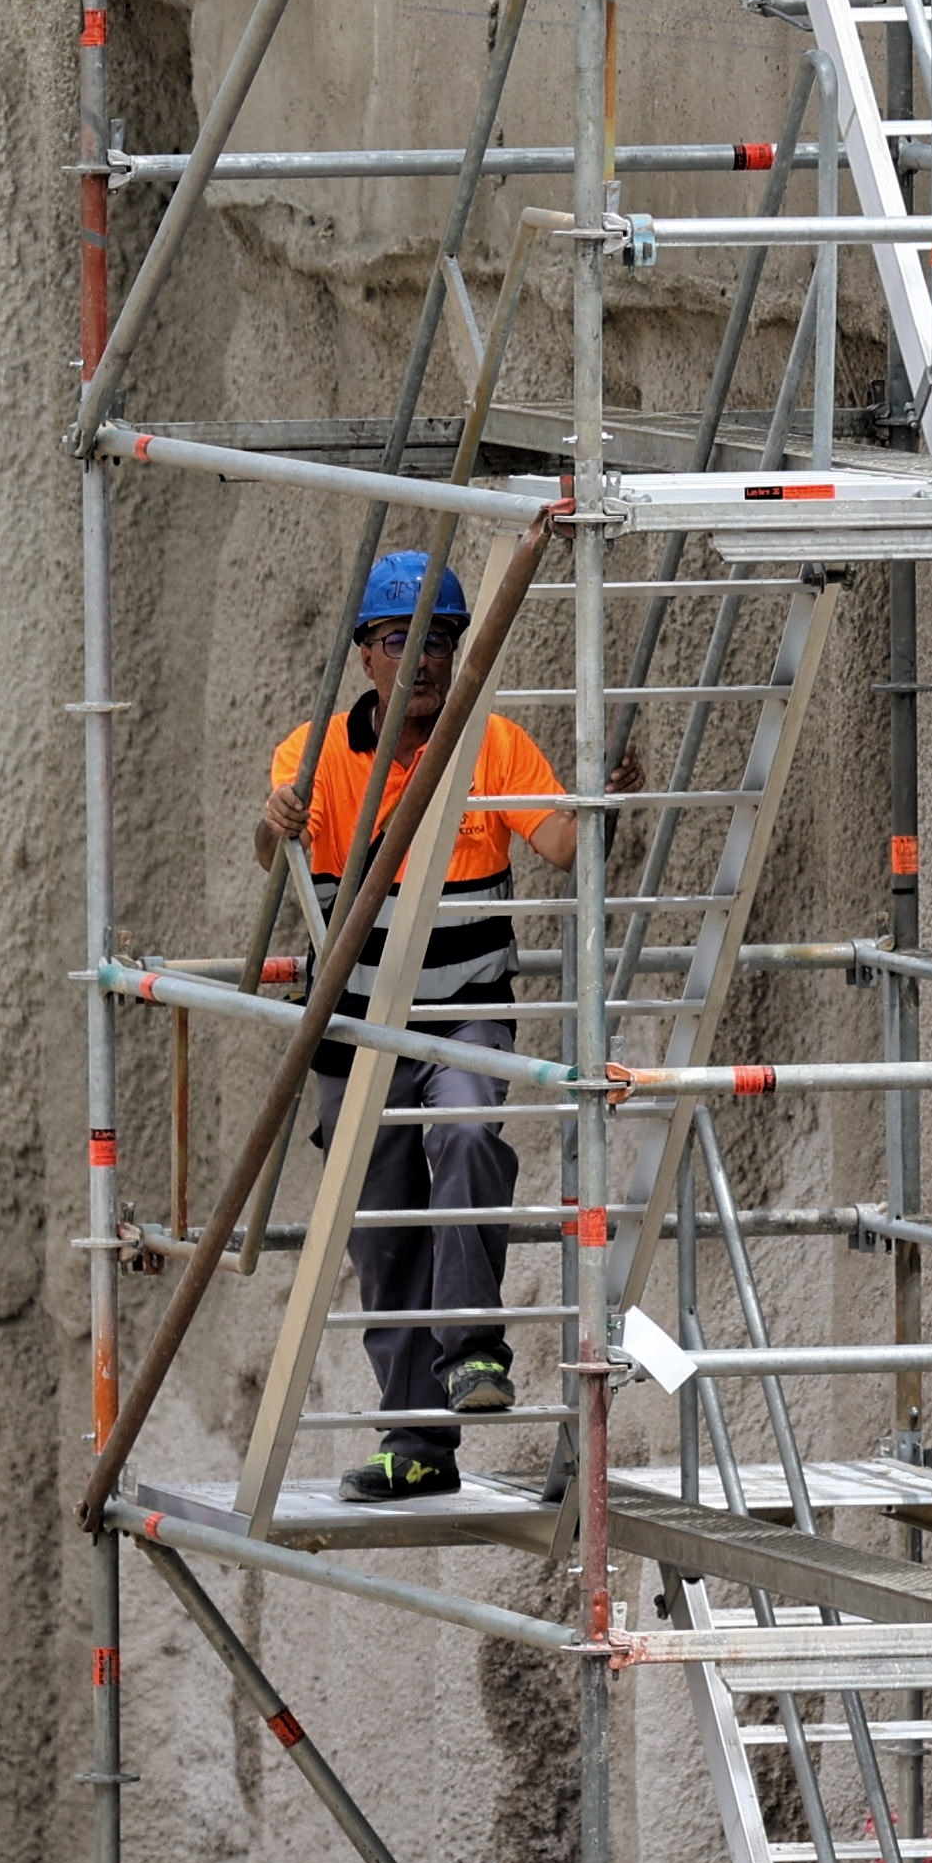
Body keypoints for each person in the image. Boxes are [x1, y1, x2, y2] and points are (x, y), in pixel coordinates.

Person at [264, 548, 589, 1503]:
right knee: (384, 1232)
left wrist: (604, 800)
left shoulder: (493, 746)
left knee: (465, 1134)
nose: (425, 657)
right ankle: (418, 1445)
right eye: (404, 639)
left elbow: (562, 843)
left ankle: (475, 1351)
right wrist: (273, 818)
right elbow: (266, 847)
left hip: (463, 1012)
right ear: (367, 653)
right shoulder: (311, 755)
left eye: (441, 639)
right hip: (356, 1026)